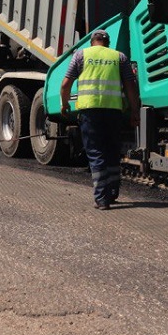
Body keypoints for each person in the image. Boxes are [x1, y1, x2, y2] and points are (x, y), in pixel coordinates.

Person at [60, 30, 140, 210]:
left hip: (90, 112)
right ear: (108, 43)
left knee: (96, 153)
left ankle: (101, 199)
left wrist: (64, 105)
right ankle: (112, 193)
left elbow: (66, 84)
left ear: (91, 42)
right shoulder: (119, 57)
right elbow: (130, 86)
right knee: (112, 151)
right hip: (113, 111)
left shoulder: (81, 55)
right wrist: (135, 110)